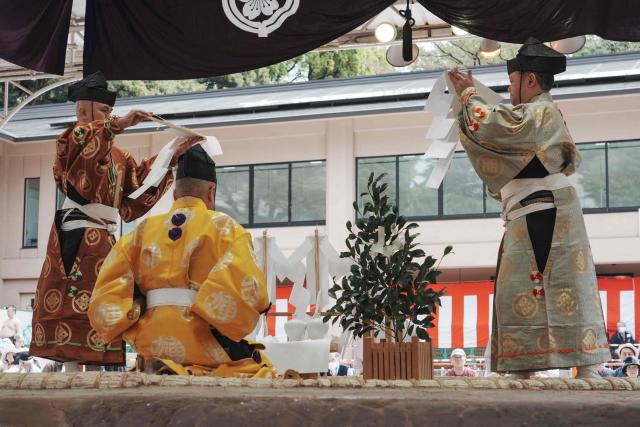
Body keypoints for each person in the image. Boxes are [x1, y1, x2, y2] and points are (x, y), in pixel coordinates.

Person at [447, 37, 610, 379]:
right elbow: (500, 142)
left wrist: (467, 94)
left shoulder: (540, 111)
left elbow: (493, 126)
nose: (509, 88)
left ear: (530, 80)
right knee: (522, 287)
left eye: (512, 81)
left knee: (562, 284)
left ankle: (587, 363)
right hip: (530, 210)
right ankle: (528, 364)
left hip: (547, 211)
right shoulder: (536, 113)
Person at [29, 71, 199, 371]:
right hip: (78, 232)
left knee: (103, 303)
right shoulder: (71, 139)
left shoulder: (120, 157)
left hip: (104, 237)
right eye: (106, 111)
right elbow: (85, 153)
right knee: (76, 304)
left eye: (110, 113)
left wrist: (172, 154)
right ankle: (72, 372)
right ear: (84, 111)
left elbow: (135, 196)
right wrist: (117, 124)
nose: (112, 116)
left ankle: (94, 371)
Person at [88, 145, 275, 377]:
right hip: (204, 343)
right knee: (261, 365)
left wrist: (137, 314)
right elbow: (252, 291)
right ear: (211, 192)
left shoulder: (140, 232)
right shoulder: (227, 229)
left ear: (175, 195)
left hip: (151, 345)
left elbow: (106, 297)